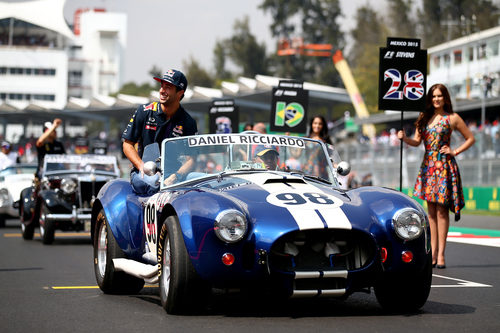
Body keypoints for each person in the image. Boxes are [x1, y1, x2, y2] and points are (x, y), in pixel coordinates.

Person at [397, 83, 475, 269]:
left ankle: (441, 255)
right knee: (430, 212)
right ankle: (431, 253)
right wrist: (404, 139)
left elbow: (471, 138)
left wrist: (454, 151)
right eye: (433, 96)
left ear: (445, 97)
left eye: (439, 96)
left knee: (442, 211)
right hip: (428, 168)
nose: (436, 99)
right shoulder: (423, 117)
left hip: (444, 167)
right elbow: (417, 142)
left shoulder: (453, 118)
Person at [122, 69, 197, 195]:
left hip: (174, 174)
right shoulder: (144, 111)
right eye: (162, 86)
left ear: (180, 93)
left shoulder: (188, 122)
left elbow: (192, 159)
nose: (162, 91)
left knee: (206, 182)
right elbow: (127, 144)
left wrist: (176, 176)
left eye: (168, 87)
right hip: (144, 172)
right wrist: (141, 166)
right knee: (154, 182)